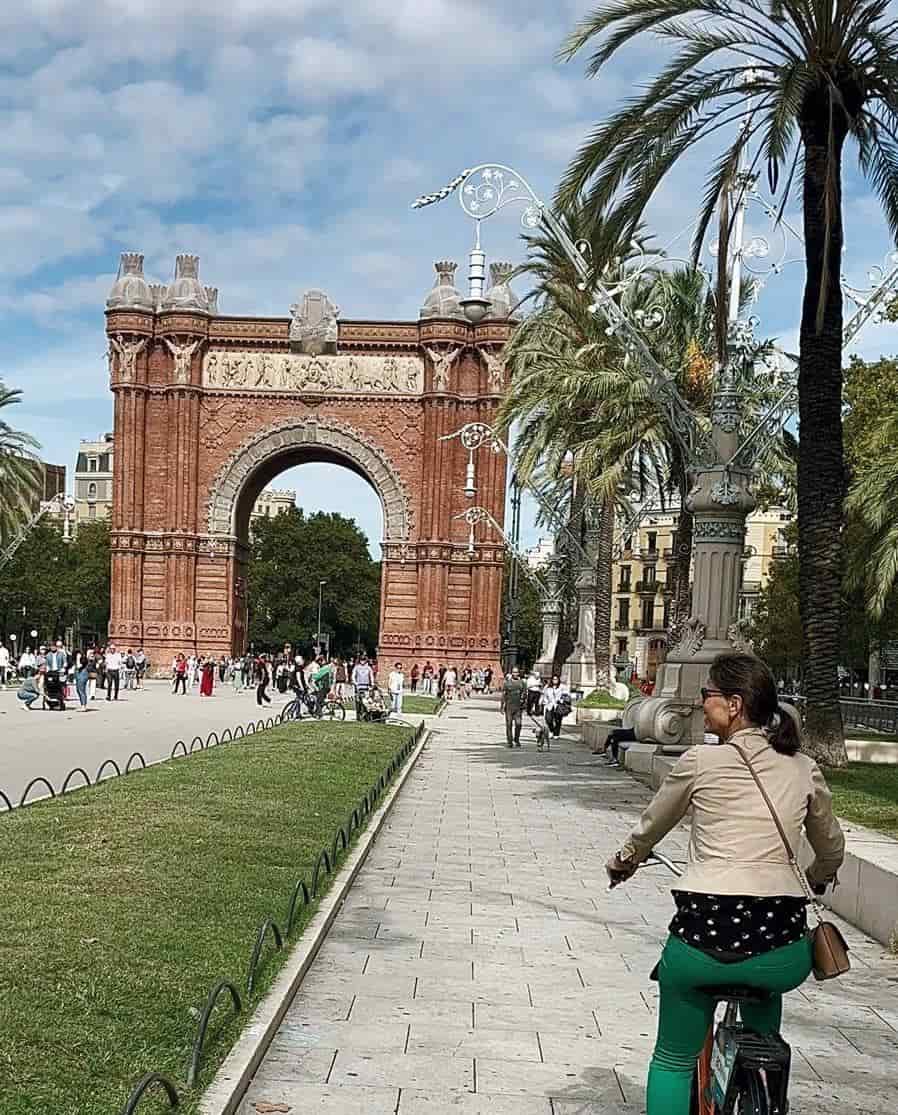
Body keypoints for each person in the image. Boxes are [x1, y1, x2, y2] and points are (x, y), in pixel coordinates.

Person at [605, 653, 845, 1115]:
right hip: (778, 949)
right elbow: (831, 850)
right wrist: (811, 881)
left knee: (673, 1058)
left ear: (733, 705)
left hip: (703, 944)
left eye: (707, 695)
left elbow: (650, 828)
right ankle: (762, 1067)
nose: (702, 702)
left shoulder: (700, 762)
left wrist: (625, 862)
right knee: (765, 995)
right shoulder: (802, 767)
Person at [501, 665, 526, 748]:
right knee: (509, 724)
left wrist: (524, 702)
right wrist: (502, 706)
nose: (515, 673)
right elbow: (504, 695)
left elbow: (525, 694)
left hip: (518, 707)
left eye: (516, 672)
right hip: (509, 706)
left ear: (518, 673)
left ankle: (516, 739)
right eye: (513, 672)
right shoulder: (507, 683)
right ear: (511, 673)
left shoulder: (522, 682)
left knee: (518, 724)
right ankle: (509, 741)